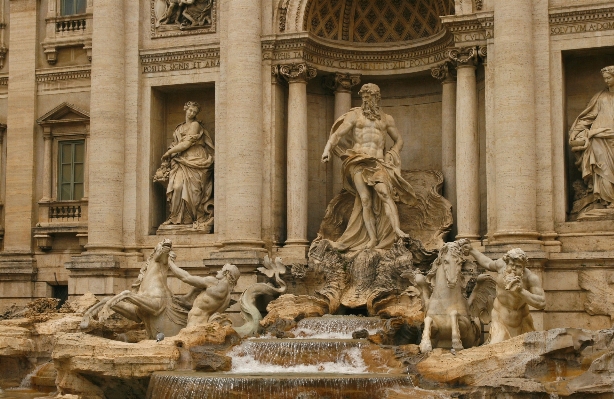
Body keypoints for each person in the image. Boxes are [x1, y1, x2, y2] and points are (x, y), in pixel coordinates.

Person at [321, 83, 416, 251]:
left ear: (376, 98)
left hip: (378, 162)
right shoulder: (355, 116)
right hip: (358, 160)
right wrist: (327, 150)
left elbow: (399, 140)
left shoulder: (387, 118)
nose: (366, 100)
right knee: (365, 199)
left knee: (385, 193)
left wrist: (392, 152)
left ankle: (396, 230)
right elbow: (337, 134)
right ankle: (372, 239)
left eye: (369, 97)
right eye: (364, 97)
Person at [461, 242, 546, 344]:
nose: (513, 269)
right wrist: (472, 250)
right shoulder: (501, 266)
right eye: (511, 265)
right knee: (497, 347)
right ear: (506, 263)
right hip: (499, 319)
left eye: (518, 266)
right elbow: (487, 263)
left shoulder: (531, 278)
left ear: (523, 267)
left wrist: (521, 291)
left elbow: (541, 303)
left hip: (522, 321)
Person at [159, 101, 214, 230]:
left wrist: (169, 153)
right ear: (185, 109)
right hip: (181, 160)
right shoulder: (179, 128)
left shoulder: (195, 125)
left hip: (196, 159)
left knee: (194, 192)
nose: (192, 113)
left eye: (194, 112)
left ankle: (190, 219)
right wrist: (171, 152)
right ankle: (175, 218)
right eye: (190, 110)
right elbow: (176, 143)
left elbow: (186, 144)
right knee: (177, 187)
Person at [569, 66, 614, 209]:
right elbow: (587, 117)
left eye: (609, 78)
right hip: (599, 138)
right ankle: (607, 200)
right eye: (605, 78)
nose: (606, 81)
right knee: (602, 170)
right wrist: (575, 132)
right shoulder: (600, 97)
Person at [168, 258, 240, 328]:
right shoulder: (227, 297)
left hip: (194, 325)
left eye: (221, 270)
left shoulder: (213, 283)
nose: (218, 271)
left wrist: (170, 262)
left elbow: (186, 277)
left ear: (226, 273)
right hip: (205, 326)